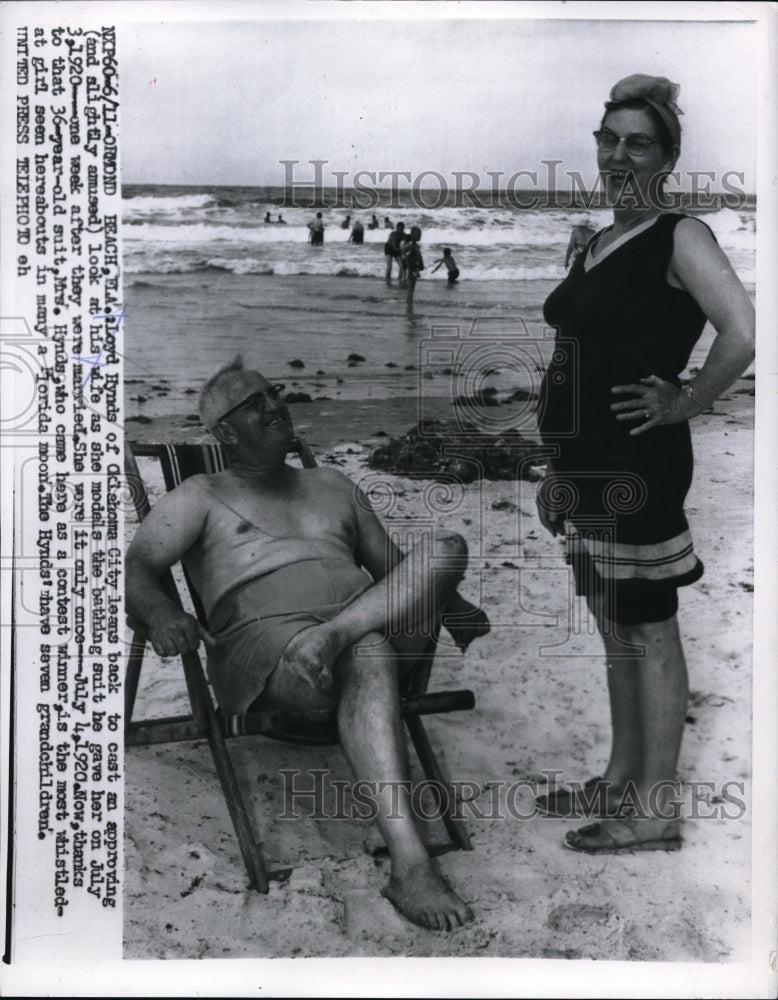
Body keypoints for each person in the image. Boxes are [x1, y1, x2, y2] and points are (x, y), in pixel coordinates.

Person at [126, 357, 490, 929]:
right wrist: (165, 613)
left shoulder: (333, 484)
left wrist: (452, 602)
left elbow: (396, 574)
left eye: (274, 395)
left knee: (445, 547)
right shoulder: (200, 493)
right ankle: (411, 867)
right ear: (223, 432)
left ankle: (331, 636)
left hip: (355, 626)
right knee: (367, 649)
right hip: (271, 650)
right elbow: (140, 566)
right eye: (253, 404)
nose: (274, 407)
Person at [535, 74, 754, 854]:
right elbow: (573, 351)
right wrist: (554, 467)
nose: (619, 154)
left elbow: (742, 333)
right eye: (609, 139)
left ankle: (655, 809)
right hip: (582, 466)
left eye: (638, 142)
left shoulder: (680, 234)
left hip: (640, 462)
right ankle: (620, 778)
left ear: (666, 157)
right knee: (613, 625)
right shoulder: (597, 241)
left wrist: (686, 400)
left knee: (649, 629)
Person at [402, 226, 424, 312]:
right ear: (414, 235)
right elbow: (410, 258)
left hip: (414, 268)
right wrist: (412, 270)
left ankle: (409, 304)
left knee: (411, 288)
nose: (420, 236)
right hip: (412, 269)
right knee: (411, 288)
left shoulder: (414, 245)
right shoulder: (412, 246)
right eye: (419, 234)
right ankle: (409, 305)